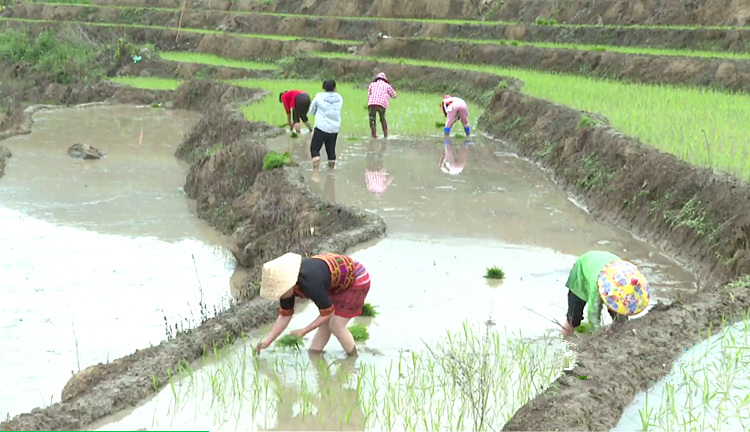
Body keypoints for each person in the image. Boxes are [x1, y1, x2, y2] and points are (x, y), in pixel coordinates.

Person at [255, 252, 371, 357]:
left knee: (336, 325)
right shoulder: (286, 290)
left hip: (356, 278)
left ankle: (352, 358)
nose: (281, 294)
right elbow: (285, 315)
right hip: (334, 280)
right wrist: (267, 342)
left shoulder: (310, 283)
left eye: (281, 290)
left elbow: (328, 312)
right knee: (325, 324)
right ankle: (314, 355)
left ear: (290, 283)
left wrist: (304, 331)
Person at [561, 250, 651, 337]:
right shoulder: (596, 288)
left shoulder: (630, 276)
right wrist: (598, 334)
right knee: (574, 317)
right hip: (582, 271)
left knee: (619, 316)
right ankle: (563, 339)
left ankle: (620, 333)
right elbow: (593, 314)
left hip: (607, 266)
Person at [308, 79, 343, 171]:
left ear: (323, 87)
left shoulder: (319, 97)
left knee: (314, 149)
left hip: (321, 128)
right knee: (331, 151)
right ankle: (331, 172)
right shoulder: (339, 98)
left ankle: (315, 173)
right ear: (335, 88)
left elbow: (312, 111)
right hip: (334, 129)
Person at [367, 72, 397, 139]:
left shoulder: (372, 84)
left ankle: (374, 135)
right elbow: (394, 95)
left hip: (372, 103)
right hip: (381, 104)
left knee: (372, 119)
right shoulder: (387, 85)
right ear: (384, 79)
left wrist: (368, 105)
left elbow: (368, 96)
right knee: (382, 118)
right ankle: (385, 135)